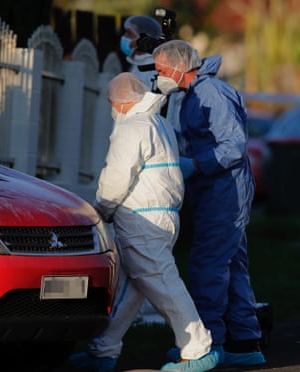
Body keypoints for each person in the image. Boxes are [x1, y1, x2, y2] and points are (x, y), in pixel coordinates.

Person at [68, 72, 218, 372]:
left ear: (121, 102)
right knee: (129, 289)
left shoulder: (132, 127)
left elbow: (117, 176)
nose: (112, 109)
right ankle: (103, 351)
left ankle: (198, 349)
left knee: (163, 284)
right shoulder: (158, 123)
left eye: (112, 103)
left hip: (141, 221)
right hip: (160, 216)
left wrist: (102, 208)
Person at [152, 40, 266, 367]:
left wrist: (196, 164)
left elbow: (234, 146)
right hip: (215, 190)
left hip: (225, 191)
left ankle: (207, 345)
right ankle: (244, 343)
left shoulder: (211, 94)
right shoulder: (192, 95)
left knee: (208, 265)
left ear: (178, 66)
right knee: (231, 264)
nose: (159, 77)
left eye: (161, 70)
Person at [120, 15, 162, 89]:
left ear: (143, 41)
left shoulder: (152, 71)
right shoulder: (137, 64)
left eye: (129, 34)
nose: (124, 37)